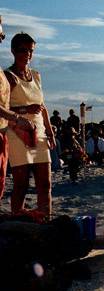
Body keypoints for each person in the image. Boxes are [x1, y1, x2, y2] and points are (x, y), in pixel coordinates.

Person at [4, 32, 55, 218]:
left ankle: (45, 219)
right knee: (21, 183)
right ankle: (17, 222)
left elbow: (42, 107)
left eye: (30, 51)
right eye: (23, 50)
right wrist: (25, 110)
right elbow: (3, 108)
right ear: (13, 51)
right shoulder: (7, 76)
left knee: (45, 183)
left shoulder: (36, 75)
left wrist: (50, 132)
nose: (27, 54)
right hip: (17, 131)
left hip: (39, 129)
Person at [0, 17, 35, 200]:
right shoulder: (7, 74)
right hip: (9, 129)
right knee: (19, 183)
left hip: (3, 131)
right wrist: (18, 117)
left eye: (2, 36)